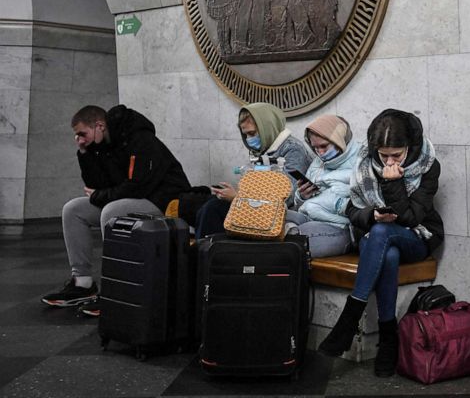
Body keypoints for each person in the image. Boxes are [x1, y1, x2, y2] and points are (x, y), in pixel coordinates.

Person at [318, 109, 443, 378]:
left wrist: (393, 184)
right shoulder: (365, 163)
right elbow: (352, 211)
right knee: (386, 251)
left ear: (410, 147)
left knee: (384, 233)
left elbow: (411, 217)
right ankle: (388, 338)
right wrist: (371, 215)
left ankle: (349, 319)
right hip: (375, 236)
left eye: (396, 155)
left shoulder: (428, 165)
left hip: (417, 236)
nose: (388, 160)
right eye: (383, 155)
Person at [41, 105, 191, 310]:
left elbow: (137, 186)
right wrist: (85, 153)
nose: (79, 140)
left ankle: (118, 289)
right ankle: (83, 283)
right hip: (132, 197)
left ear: (99, 126)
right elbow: (96, 186)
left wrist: (100, 195)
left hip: (164, 200)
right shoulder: (102, 145)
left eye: (82, 134)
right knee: (73, 209)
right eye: (77, 136)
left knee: (112, 212)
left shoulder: (140, 139)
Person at [195, 102, 312, 238]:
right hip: (257, 208)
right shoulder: (262, 150)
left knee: (213, 210)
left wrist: (237, 199)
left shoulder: (293, 150)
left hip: (280, 214)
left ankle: (209, 255)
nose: (249, 139)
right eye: (246, 135)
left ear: (266, 128)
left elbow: (287, 196)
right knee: (204, 206)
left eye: (252, 133)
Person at [283, 114, 361, 257]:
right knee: (272, 217)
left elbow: (365, 201)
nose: (320, 152)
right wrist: (302, 195)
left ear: (338, 139)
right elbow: (300, 204)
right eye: (316, 148)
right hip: (310, 214)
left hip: (339, 226)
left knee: (297, 239)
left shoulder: (361, 160)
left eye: (324, 146)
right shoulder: (318, 163)